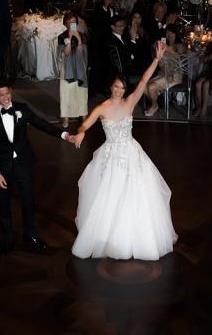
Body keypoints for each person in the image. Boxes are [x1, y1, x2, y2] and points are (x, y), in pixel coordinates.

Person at [70, 41, 177, 260]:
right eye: (116, 87)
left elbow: (145, 80)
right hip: (110, 157)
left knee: (137, 196)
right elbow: (85, 124)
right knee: (109, 196)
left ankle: (135, 238)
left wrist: (156, 59)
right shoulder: (102, 108)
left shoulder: (129, 103)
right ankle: (107, 237)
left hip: (131, 153)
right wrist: (80, 132)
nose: (119, 91)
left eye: (122, 88)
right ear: (110, 87)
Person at [0, 78, 73, 255]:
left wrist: (63, 135)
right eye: (2, 95)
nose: (6, 98)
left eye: (8, 93)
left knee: (28, 201)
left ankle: (29, 234)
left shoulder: (22, 109)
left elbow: (42, 124)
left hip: (23, 163)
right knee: (4, 205)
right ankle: (8, 238)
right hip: (3, 168)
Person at [58, 11, 88, 129]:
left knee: (81, 93)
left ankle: (84, 117)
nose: (72, 25)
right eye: (69, 23)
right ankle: (65, 118)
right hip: (67, 69)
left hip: (80, 68)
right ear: (65, 24)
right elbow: (66, 52)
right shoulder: (62, 36)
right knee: (66, 93)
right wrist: (70, 37)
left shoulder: (82, 35)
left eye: (74, 22)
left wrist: (78, 38)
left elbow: (82, 51)